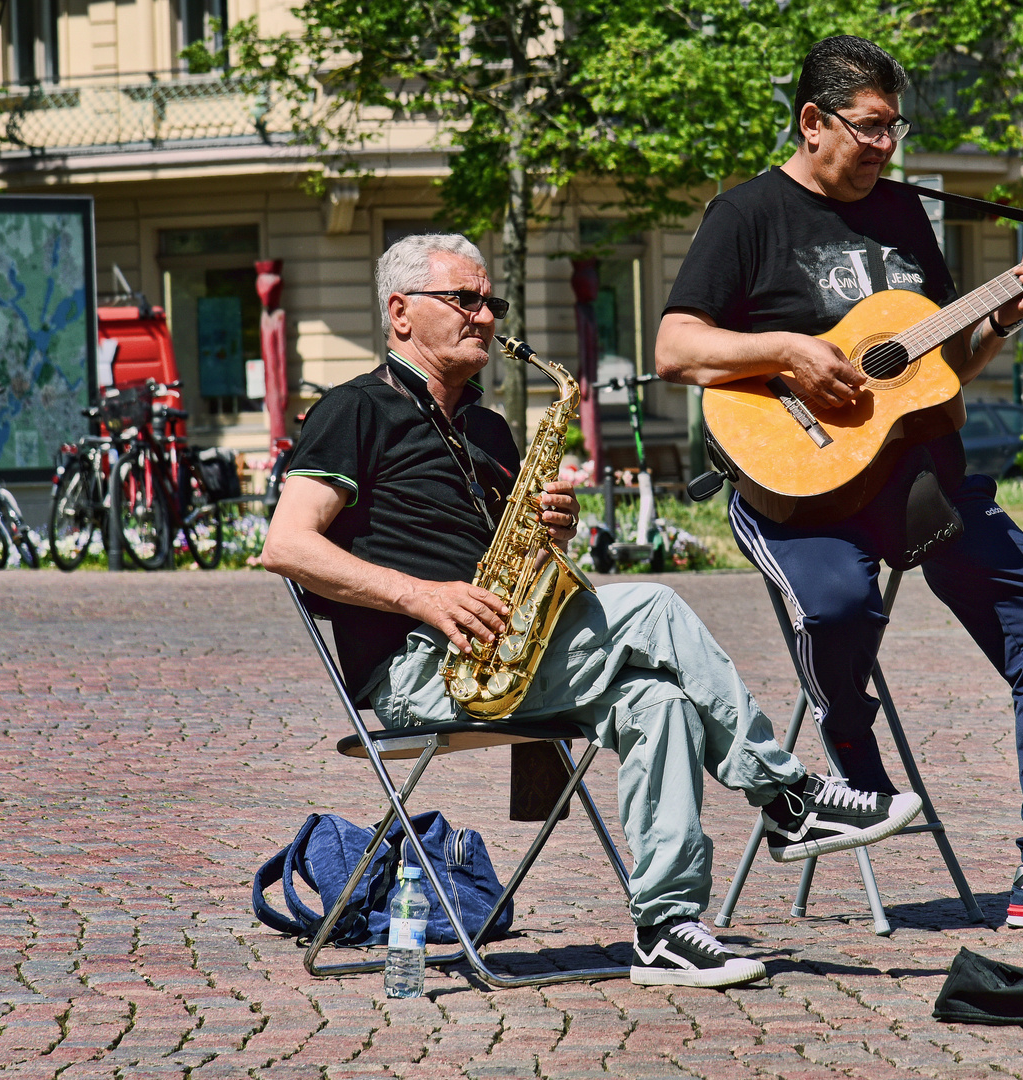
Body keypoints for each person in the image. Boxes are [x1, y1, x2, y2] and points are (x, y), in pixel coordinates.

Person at [261, 233, 922, 990]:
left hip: (506, 651)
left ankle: (666, 928)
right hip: (417, 668)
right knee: (655, 605)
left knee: (658, 702)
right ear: (401, 312)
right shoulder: (356, 409)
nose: (483, 316)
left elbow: (514, 564)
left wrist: (550, 536)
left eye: (490, 302)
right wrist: (422, 595)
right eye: (464, 301)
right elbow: (286, 545)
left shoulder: (485, 428)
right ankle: (788, 797)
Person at [655, 35, 1023, 929]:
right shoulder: (745, 216)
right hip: (791, 484)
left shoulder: (902, 214)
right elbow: (673, 349)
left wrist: (1009, 316)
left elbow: (932, 370)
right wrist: (784, 351)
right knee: (840, 604)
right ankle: (847, 751)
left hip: (919, 486)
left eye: (896, 128)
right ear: (812, 122)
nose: (886, 147)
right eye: (869, 129)